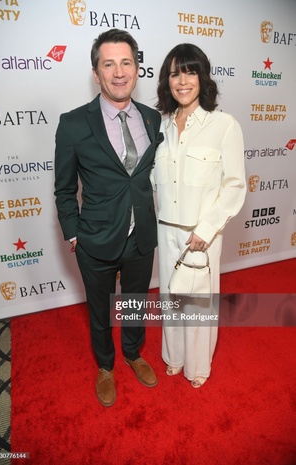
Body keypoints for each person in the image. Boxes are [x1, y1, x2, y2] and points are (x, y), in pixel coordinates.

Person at [54, 29, 163, 407]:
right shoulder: (72, 124)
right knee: (99, 311)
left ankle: (132, 353)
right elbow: (64, 188)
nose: (119, 72)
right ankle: (105, 366)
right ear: (96, 71)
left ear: (137, 67)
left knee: (135, 302)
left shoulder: (153, 119)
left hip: (141, 237)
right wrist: (73, 234)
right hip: (95, 238)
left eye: (127, 63)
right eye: (109, 64)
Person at [152, 43, 246, 388]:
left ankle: (198, 367)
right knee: (171, 300)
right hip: (166, 230)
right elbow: (149, 182)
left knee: (199, 305)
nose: (182, 80)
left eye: (190, 71)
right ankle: (174, 357)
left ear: (202, 77)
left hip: (201, 234)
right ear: (167, 80)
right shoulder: (159, 126)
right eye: (175, 73)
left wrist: (207, 228)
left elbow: (235, 185)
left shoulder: (223, 125)